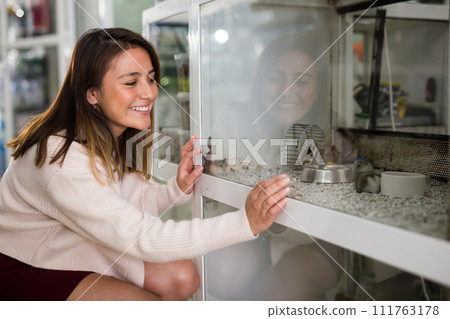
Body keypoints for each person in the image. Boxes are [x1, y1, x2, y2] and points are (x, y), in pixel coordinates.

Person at [0, 28, 291, 301]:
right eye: (131, 82)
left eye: (150, 79)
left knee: (183, 275)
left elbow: (128, 200)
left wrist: (176, 188)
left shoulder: (110, 135)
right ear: (92, 94)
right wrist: (246, 222)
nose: (149, 93)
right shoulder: (60, 157)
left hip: (69, 244)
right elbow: (145, 238)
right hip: (26, 265)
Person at [207, 33, 340, 300]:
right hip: (254, 230)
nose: (286, 91)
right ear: (258, 83)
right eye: (274, 78)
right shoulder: (233, 118)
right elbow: (216, 197)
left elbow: (327, 224)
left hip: (316, 242)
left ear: (319, 90)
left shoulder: (333, 134)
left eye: (302, 81)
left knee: (279, 293)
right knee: (220, 273)